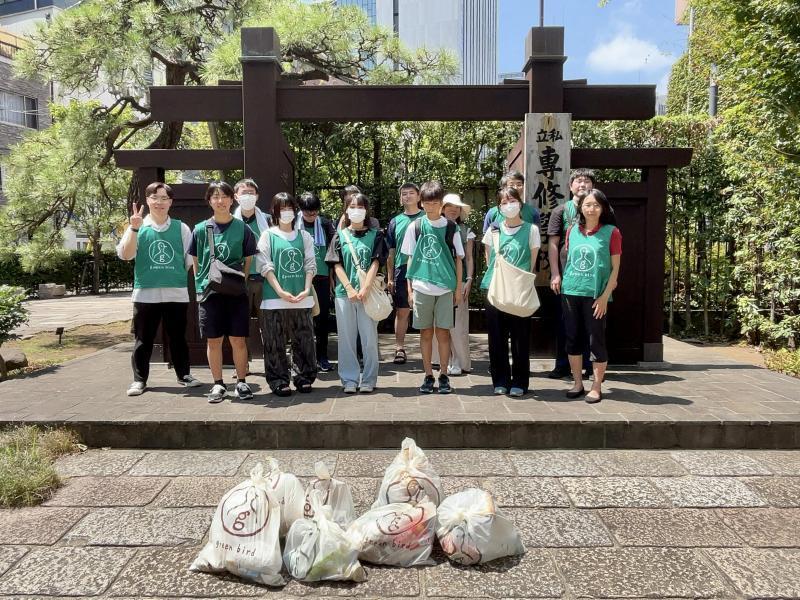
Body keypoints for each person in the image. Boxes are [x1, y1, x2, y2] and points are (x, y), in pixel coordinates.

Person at [117, 182, 203, 396]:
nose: (160, 202)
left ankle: (184, 374)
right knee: (143, 339)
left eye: (165, 198)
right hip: (146, 292)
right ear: (147, 200)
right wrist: (134, 228)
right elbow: (126, 255)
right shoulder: (137, 226)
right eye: (155, 198)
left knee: (178, 338)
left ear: (171, 202)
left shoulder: (182, 228)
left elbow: (190, 261)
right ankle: (139, 380)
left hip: (176, 292)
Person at [189, 181, 258, 403]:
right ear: (209, 201)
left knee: (238, 339)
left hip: (236, 293)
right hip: (210, 294)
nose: (220, 201)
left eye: (224, 196)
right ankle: (218, 384)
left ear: (232, 199)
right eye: (215, 196)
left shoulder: (243, 228)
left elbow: (248, 260)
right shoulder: (200, 229)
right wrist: (205, 285)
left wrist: (238, 282)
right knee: (214, 340)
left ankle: (241, 382)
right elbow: (197, 263)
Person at [402, 181, 464, 394]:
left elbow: (458, 259)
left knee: (444, 333)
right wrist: (410, 289)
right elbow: (410, 258)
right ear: (422, 203)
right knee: (425, 333)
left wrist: (457, 289)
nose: (430, 207)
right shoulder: (415, 226)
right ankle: (428, 374)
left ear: (441, 203)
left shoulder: (451, 227)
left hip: (445, 287)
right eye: (427, 203)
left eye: (435, 203)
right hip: (421, 286)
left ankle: (444, 374)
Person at [561, 189, 622, 403]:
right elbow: (568, 259)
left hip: (596, 295)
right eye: (587, 204)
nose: (591, 209)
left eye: (596, 205)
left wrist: (605, 296)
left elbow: (615, 268)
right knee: (572, 338)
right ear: (580, 208)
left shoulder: (611, 232)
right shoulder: (572, 231)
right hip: (571, 291)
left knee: (596, 340)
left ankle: (596, 386)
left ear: (603, 208)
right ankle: (577, 383)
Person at [480, 187, 541, 396]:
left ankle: (520, 382)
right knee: (496, 338)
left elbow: (532, 263)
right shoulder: (493, 230)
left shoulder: (532, 230)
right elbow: (489, 260)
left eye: (512, 200)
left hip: (520, 289)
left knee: (520, 337)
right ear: (499, 207)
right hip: (494, 288)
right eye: (504, 202)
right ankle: (500, 380)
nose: (509, 205)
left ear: (520, 203)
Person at [326, 193, 388, 393]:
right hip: (345, 294)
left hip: (367, 294)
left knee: (369, 338)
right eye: (352, 206)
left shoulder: (376, 234)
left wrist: (365, 288)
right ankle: (350, 379)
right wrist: (350, 289)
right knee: (346, 338)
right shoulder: (340, 235)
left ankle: (369, 379)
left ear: (366, 210)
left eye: (360, 206)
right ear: (345, 209)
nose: (356, 210)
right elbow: (336, 265)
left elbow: (376, 262)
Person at [258, 193, 318, 396]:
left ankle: (304, 376)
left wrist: (306, 288)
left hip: (302, 297)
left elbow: (310, 264)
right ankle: (278, 380)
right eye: (282, 208)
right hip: (274, 299)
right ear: (275, 211)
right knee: (274, 342)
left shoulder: (304, 236)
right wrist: (280, 290)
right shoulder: (268, 235)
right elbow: (265, 265)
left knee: (304, 340)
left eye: (290, 208)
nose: (287, 212)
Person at [548, 169, 596, 380]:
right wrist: (555, 274)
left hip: (591, 278)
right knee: (565, 324)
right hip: (567, 278)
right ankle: (562, 365)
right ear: (570, 186)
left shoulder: (599, 210)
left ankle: (589, 366)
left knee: (590, 324)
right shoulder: (561, 211)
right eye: (578, 181)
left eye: (586, 181)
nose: (582, 184)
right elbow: (552, 244)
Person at [431, 193, 475, 375]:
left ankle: (458, 360)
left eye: (457, 207)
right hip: (437, 280)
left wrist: (469, 279)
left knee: (458, 325)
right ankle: (440, 359)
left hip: (460, 280)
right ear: (442, 207)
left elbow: (469, 257)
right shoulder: (433, 227)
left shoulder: (466, 230)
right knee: (438, 322)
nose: (453, 209)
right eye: (449, 206)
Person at [232, 178, 272, 373]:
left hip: (265, 278)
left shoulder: (268, 219)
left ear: (257, 196)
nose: (247, 196)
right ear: (236, 197)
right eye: (244, 193)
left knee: (269, 323)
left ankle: (272, 361)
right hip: (241, 280)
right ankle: (243, 363)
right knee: (241, 324)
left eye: (251, 193)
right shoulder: (230, 221)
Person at [296, 192, 336, 372]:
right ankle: (303, 358)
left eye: (314, 212)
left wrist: (333, 278)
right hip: (299, 278)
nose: (311, 216)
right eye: (307, 213)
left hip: (321, 277)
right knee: (301, 320)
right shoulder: (293, 225)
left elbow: (334, 250)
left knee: (321, 320)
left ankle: (322, 356)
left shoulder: (326, 224)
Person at [386, 182, 424, 365]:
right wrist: (390, 277)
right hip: (402, 268)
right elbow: (391, 252)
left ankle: (431, 352)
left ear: (419, 196)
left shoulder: (428, 217)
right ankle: (399, 348)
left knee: (427, 310)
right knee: (402, 311)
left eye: (411, 193)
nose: (407, 196)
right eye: (404, 194)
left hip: (426, 268)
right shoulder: (395, 221)